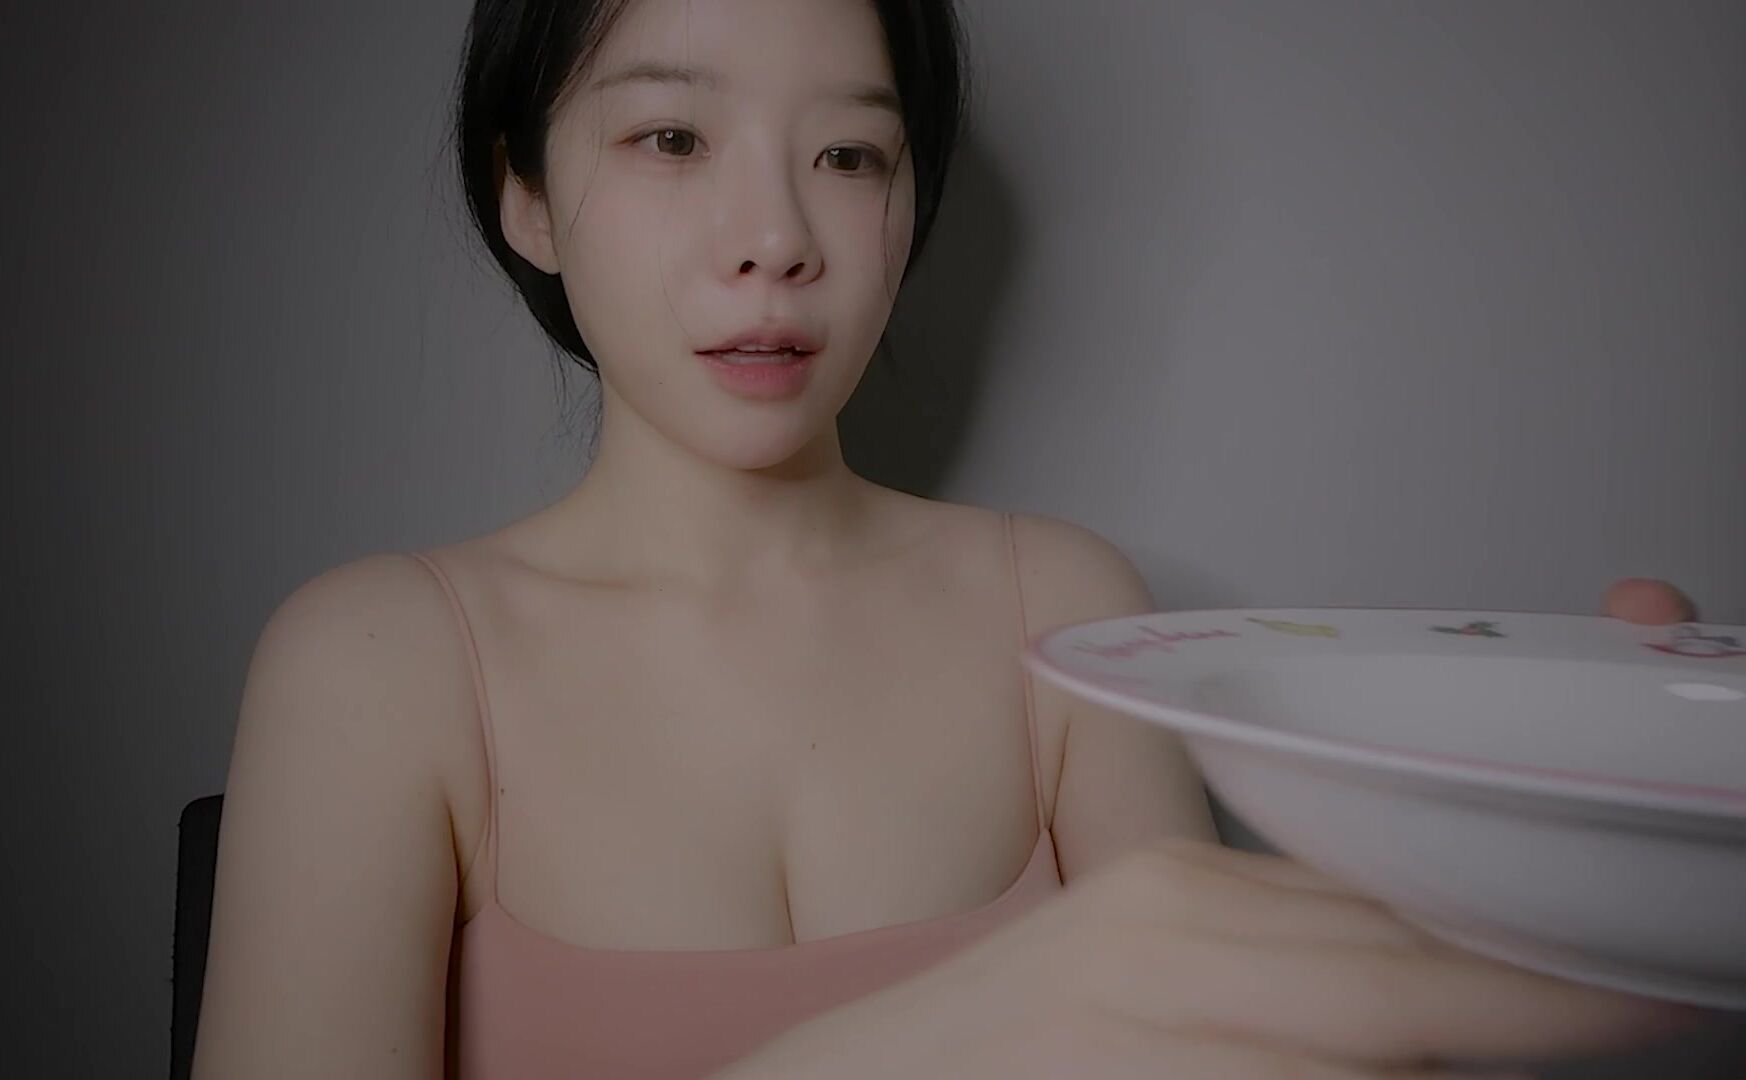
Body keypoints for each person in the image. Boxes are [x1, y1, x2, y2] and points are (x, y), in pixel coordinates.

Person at [188, 1, 1708, 1077]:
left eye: (851, 155)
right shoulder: (378, 664)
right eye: (671, 136)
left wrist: (1528, 872)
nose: (776, 237)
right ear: (524, 193)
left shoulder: (1064, 612)